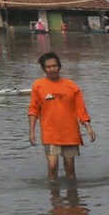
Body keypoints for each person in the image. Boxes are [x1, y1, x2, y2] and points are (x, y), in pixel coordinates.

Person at [28, 52, 94, 181]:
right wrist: (31, 131)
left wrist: (88, 126)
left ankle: (73, 198)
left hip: (69, 132)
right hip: (50, 132)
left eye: (54, 66)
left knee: (70, 168)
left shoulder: (71, 86)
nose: (52, 69)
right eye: (48, 67)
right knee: (52, 166)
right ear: (44, 69)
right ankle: (55, 197)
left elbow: (80, 109)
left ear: (59, 67)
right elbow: (34, 109)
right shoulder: (38, 86)